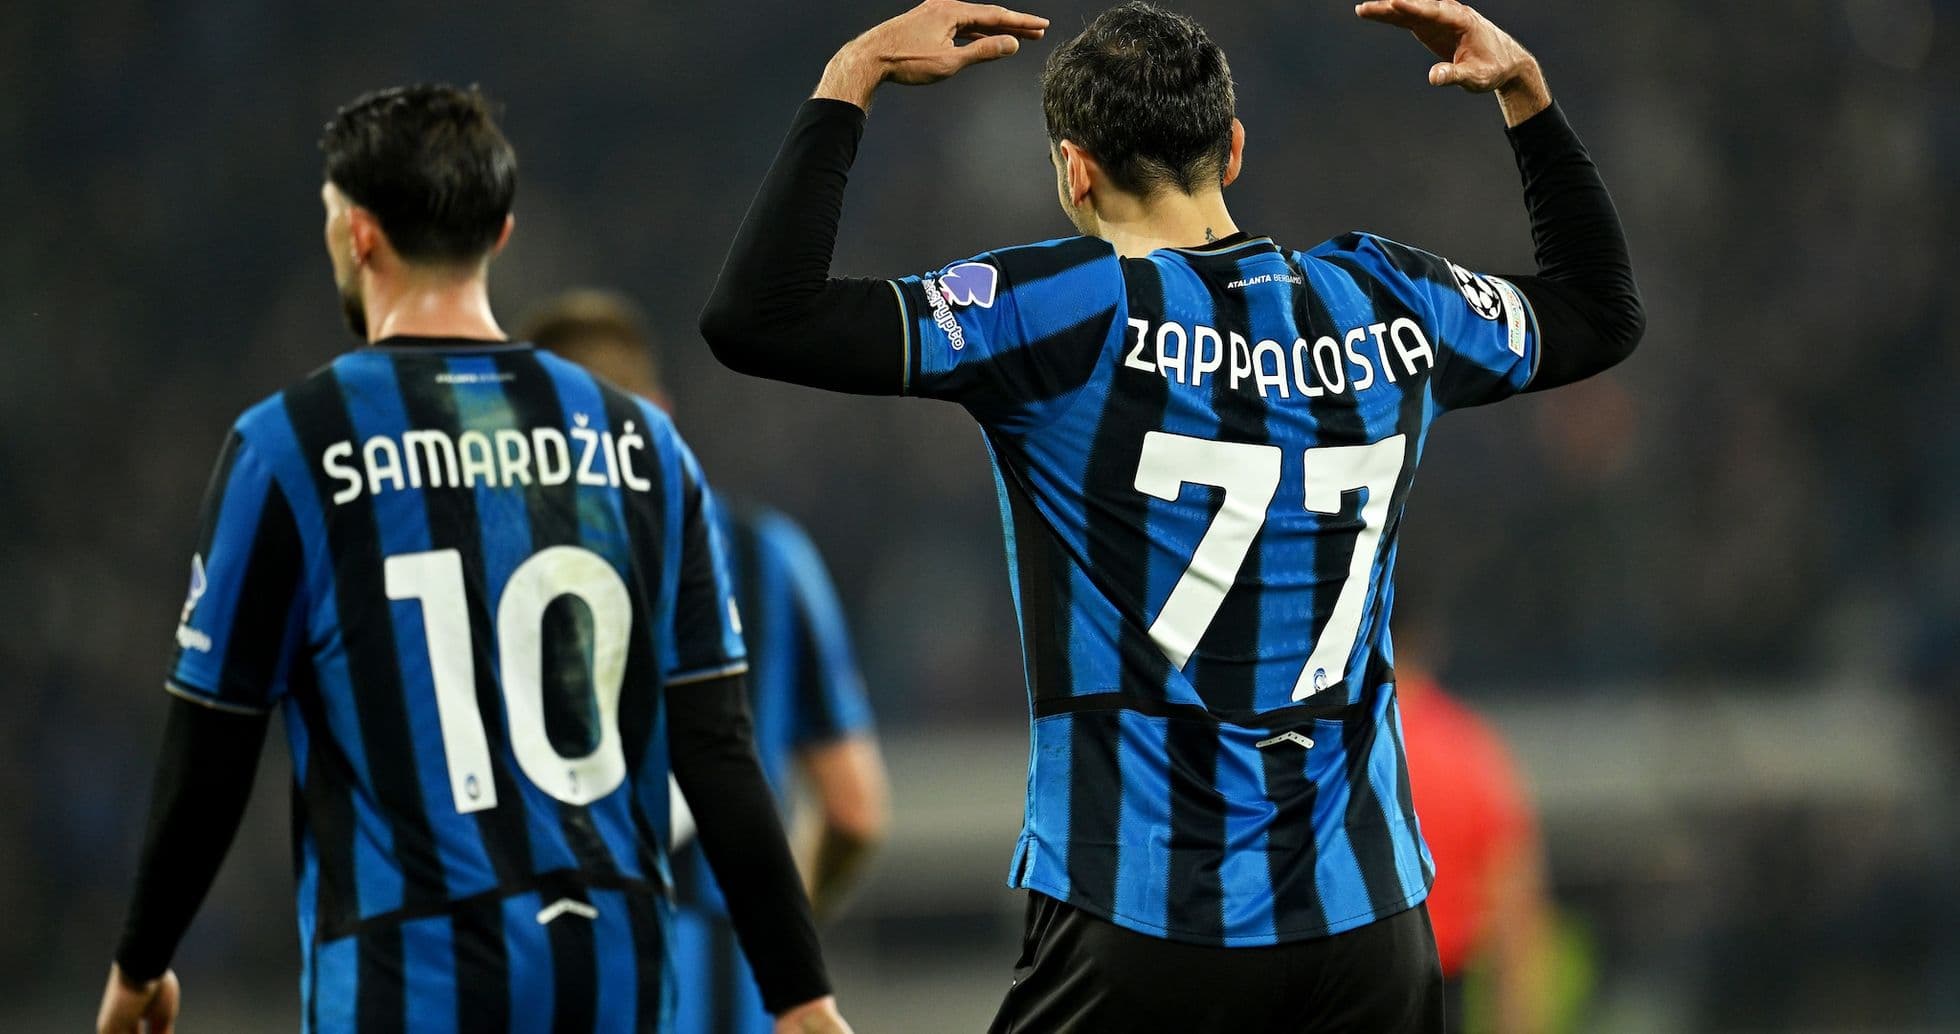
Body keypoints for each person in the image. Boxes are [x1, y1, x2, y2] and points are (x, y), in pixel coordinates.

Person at [699, 0, 1643, 1029]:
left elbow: (760, 315)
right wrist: (1526, 96)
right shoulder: (1387, 302)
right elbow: (1600, 309)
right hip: (1367, 925)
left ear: (1075, 170)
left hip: (1141, 912)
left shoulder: (1060, 308)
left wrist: (854, 72)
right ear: (1231, 148)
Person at [95, 85, 850, 1034]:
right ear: (499, 233)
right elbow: (718, 748)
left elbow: (212, 746)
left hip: (406, 971)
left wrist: (141, 961)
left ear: (358, 234)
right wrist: (800, 993)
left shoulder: (291, 447)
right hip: (615, 972)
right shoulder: (642, 444)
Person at [523, 290, 889, 1034]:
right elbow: (854, 809)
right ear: (658, 413)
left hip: (546, 976)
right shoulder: (763, 556)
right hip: (730, 982)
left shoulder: (491, 567)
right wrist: (782, 921)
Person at [1394, 612, 1557, 1033]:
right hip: (1444, 993)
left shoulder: (1322, 749)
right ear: (1428, 641)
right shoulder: (1467, 750)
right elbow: (1515, 917)